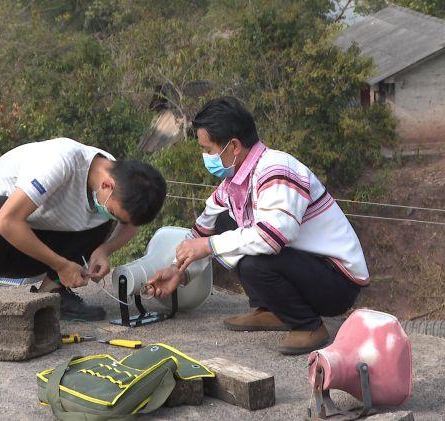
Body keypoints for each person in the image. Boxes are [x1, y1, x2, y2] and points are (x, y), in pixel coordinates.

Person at [146, 97, 369, 355]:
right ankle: (272, 309)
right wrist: (178, 272)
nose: (205, 157)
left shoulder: (278, 170)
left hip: (337, 281)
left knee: (255, 259)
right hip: (306, 266)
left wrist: (207, 245)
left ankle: (308, 325)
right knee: (224, 223)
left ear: (234, 146)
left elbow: (271, 237)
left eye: (208, 150)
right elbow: (202, 232)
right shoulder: (233, 184)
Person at [0, 137, 166, 346]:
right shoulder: (58, 163)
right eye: (114, 212)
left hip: (28, 242)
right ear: (107, 185)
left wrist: (104, 250)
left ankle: (52, 296)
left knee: (98, 216)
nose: (114, 217)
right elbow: (6, 222)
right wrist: (61, 265)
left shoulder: (118, 179)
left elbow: (131, 221)